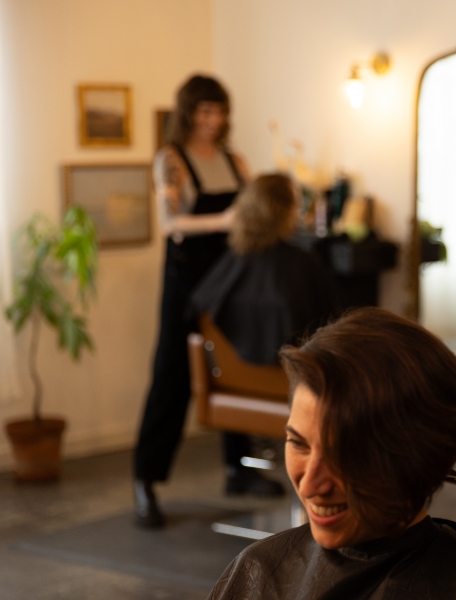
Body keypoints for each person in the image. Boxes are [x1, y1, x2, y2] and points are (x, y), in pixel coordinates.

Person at [207, 308, 456, 600]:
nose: (309, 485)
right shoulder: (257, 572)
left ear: (420, 456)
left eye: (342, 454)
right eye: (299, 443)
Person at [133, 74, 276, 530]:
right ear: (188, 113)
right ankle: (145, 481)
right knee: (171, 375)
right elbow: (170, 224)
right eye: (205, 112)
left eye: (219, 112)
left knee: (234, 367)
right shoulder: (170, 159)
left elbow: (251, 211)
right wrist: (223, 219)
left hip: (231, 279)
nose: (213, 121)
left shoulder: (235, 160)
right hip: (186, 283)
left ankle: (239, 469)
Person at [189, 173, 345, 365]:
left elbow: (198, 310)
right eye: (296, 203)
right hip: (291, 386)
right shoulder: (303, 264)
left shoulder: (231, 261)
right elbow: (335, 326)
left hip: (233, 385)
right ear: (286, 210)